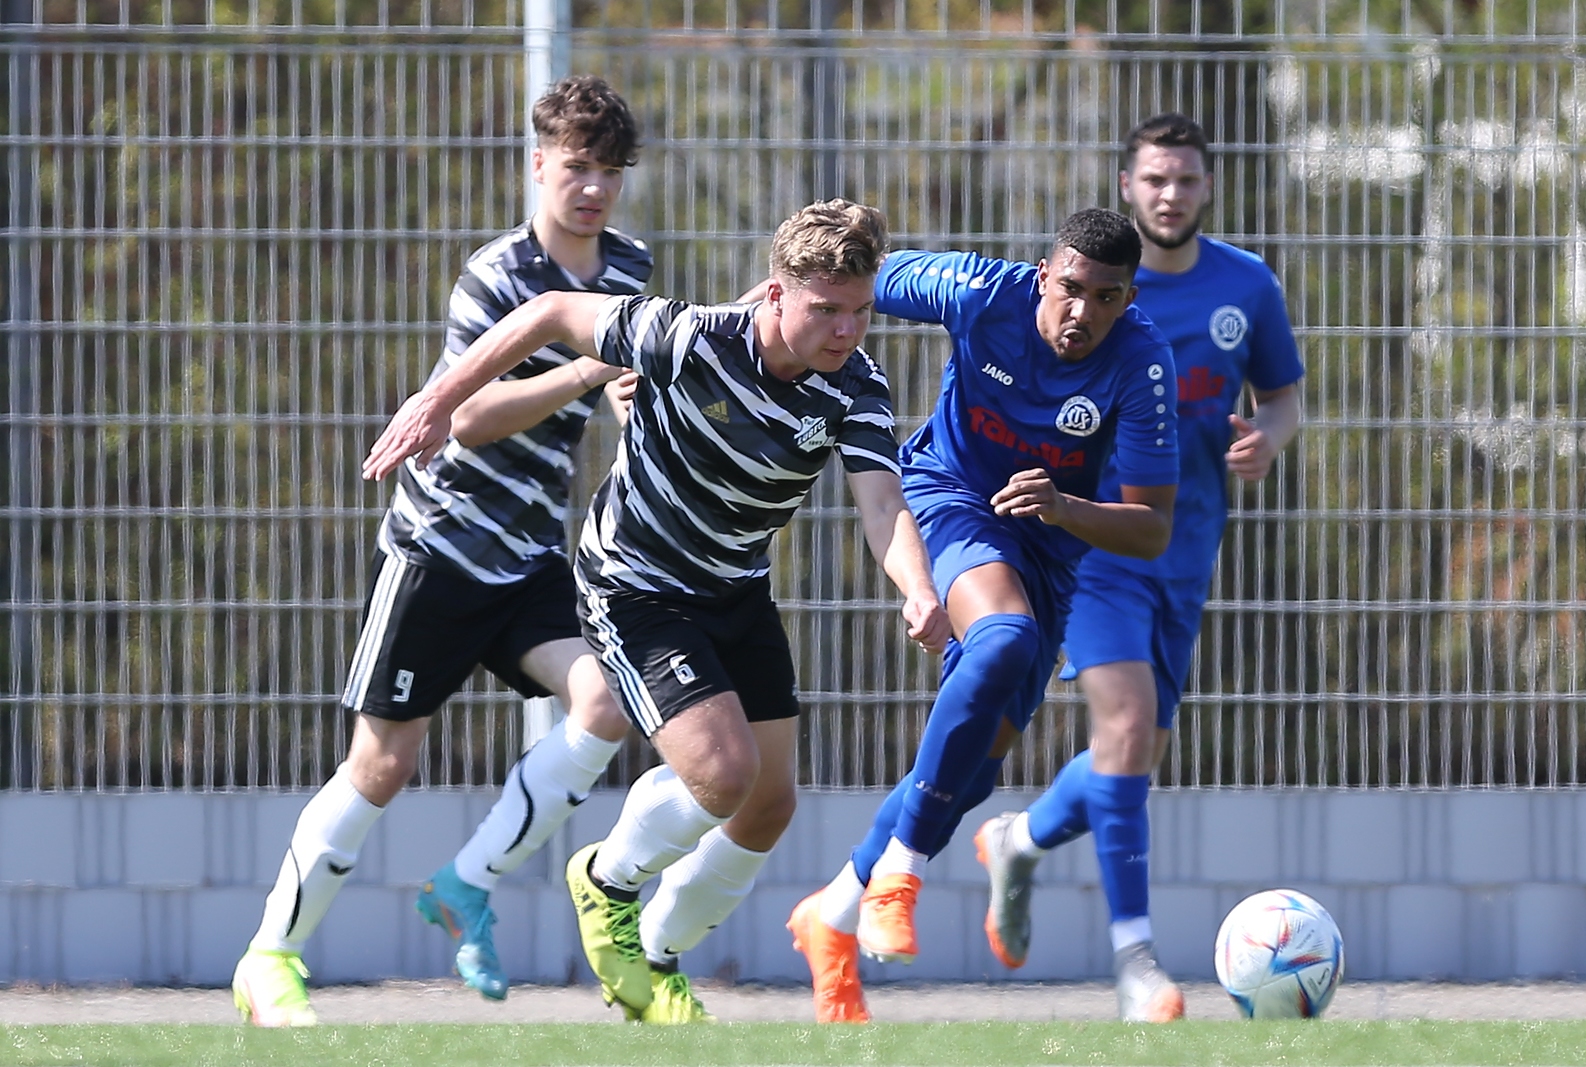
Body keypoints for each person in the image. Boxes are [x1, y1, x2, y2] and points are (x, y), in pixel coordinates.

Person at [360, 198, 952, 1023]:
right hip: (635, 584)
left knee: (769, 804)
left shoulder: (856, 386)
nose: (846, 330)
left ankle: (661, 953)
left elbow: (883, 504)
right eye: (826, 309)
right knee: (723, 773)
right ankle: (607, 880)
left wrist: (918, 587)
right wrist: (436, 400)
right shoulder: (691, 336)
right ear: (775, 293)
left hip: (735, 587)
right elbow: (551, 310)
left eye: (859, 310)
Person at [230, 75, 651, 1027]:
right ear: (538, 164)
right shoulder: (495, 276)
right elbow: (468, 415)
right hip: (440, 547)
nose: (593, 187)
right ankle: (270, 956)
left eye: (610, 170)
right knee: (382, 765)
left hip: (531, 556)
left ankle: (467, 883)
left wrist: (631, 394)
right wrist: (586, 369)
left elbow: (621, 384)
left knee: (606, 700)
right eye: (577, 166)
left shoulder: (630, 267)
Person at [785, 207, 1179, 1024]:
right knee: (1003, 639)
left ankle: (834, 909)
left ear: (1128, 299)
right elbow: (839, 283)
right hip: (951, 496)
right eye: (1070, 288)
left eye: (1106, 297)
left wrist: (1066, 507)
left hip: (1048, 547)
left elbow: (1151, 527)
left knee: (972, 773)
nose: (1082, 311)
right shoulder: (978, 292)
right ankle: (899, 873)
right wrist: (732, 328)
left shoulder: (1141, 362)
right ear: (1044, 275)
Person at [972, 113, 1303, 1021]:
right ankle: (1134, 963)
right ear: (1127, 186)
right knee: (1123, 721)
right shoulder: (1089, 288)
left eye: (1186, 179)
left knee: (1136, 751)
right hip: (1093, 547)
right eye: (1155, 178)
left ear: (1208, 186)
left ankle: (1018, 839)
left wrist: (1268, 438)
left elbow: (1281, 396)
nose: (1170, 194)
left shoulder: (1247, 285)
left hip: (1183, 552)